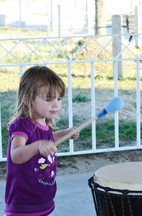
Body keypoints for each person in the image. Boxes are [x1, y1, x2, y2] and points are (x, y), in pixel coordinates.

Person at [4, 66, 79, 216]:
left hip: (43, 198)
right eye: (49, 99)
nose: (56, 104)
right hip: (23, 203)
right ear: (27, 99)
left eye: (59, 99)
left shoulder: (44, 123)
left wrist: (64, 133)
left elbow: (47, 140)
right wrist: (38, 146)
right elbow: (16, 155)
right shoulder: (22, 125)